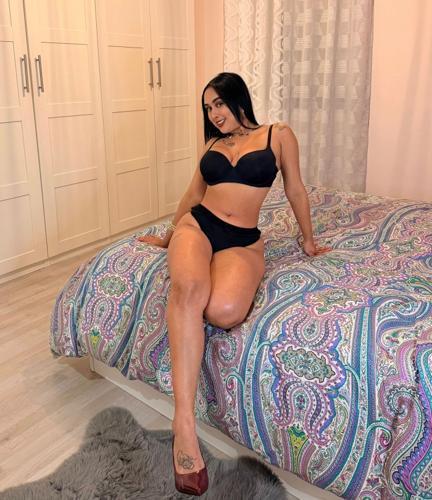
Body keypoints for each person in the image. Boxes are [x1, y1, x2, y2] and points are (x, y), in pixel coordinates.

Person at [138, 72, 330, 496]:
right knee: (189, 291)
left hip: (243, 240)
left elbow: (296, 189)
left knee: (223, 311)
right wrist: (169, 235)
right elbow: (193, 195)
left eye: (219, 103)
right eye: (208, 108)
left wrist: (308, 241)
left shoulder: (278, 135)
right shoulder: (212, 146)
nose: (214, 113)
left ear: (237, 98)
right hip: (198, 226)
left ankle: (184, 420)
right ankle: (184, 424)